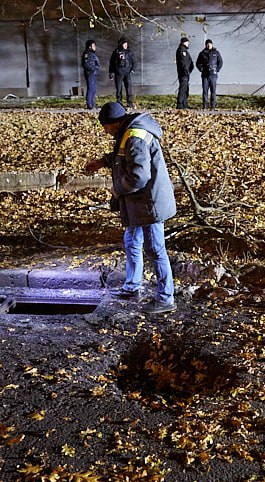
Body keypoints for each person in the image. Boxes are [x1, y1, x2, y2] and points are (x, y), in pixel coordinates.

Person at [83, 102, 177, 314]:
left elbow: (139, 176)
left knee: (155, 249)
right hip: (139, 204)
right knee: (132, 241)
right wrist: (102, 162)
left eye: (106, 127)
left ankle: (166, 298)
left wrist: (117, 189)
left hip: (150, 204)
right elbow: (123, 157)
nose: (105, 131)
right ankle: (132, 287)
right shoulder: (128, 132)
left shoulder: (135, 136)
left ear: (114, 123)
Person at [195, 38, 223, 110]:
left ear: (212, 44)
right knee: (205, 91)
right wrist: (201, 69)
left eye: (210, 44)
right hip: (205, 75)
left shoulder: (216, 53)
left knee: (213, 90)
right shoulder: (202, 53)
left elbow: (220, 62)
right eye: (207, 44)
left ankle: (213, 105)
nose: (209, 45)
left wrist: (217, 69)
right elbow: (197, 63)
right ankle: (205, 105)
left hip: (213, 75)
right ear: (206, 45)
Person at [109, 37, 135, 108]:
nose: (126, 45)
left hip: (127, 73)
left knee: (128, 88)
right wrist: (111, 72)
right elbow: (112, 63)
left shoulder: (129, 52)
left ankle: (129, 103)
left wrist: (132, 69)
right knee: (118, 88)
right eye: (124, 44)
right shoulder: (116, 52)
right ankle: (119, 102)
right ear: (121, 44)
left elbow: (133, 61)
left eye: (126, 44)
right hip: (118, 73)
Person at [175, 36, 194, 109]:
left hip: (185, 73)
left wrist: (190, 69)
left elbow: (190, 62)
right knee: (183, 89)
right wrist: (186, 71)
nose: (188, 44)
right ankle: (180, 104)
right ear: (184, 43)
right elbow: (184, 63)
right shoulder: (182, 51)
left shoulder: (185, 50)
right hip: (183, 74)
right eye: (187, 42)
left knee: (186, 89)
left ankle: (184, 104)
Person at [81, 39, 100, 110]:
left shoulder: (93, 54)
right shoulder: (87, 54)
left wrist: (96, 69)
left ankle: (92, 104)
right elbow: (86, 64)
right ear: (89, 46)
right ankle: (89, 104)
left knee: (94, 89)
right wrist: (93, 69)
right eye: (93, 45)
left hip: (94, 74)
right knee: (91, 88)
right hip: (90, 73)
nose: (95, 47)